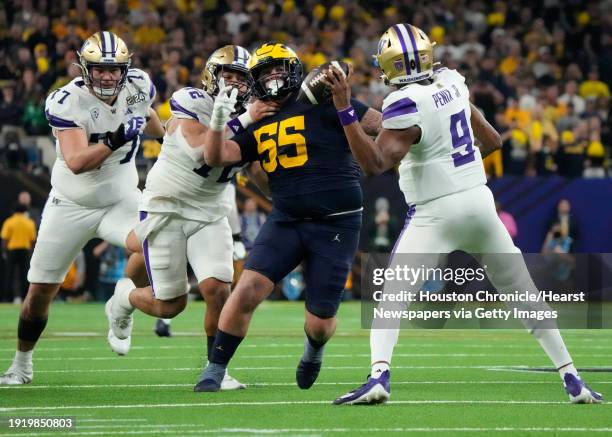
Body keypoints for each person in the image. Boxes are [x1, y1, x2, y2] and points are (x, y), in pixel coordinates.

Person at [326, 24, 601, 405]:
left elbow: (375, 163)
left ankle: (378, 376)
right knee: (524, 293)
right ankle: (573, 378)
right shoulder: (452, 81)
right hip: (479, 203)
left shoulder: (403, 103)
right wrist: (457, 170)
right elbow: (492, 140)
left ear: (391, 65)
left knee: (392, 296)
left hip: (435, 213)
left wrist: (343, 109)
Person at [194, 42, 381, 392]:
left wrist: (346, 110)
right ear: (256, 80)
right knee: (246, 289)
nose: (274, 76)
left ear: (295, 71)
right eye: (266, 72)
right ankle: (215, 367)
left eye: (280, 68)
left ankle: (313, 349)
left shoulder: (323, 103)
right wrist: (221, 120)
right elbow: (216, 156)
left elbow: (381, 127)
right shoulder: (258, 114)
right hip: (287, 219)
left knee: (320, 323)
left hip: (335, 223)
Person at [105, 45, 274, 390]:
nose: (235, 84)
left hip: (210, 210)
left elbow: (259, 173)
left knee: (217, 289)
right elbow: (203, 153)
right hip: (168, 204)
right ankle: (123, 298)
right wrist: (243, 119)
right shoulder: (192, 100)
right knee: (170, 305)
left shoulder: (258, 115)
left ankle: (217, 369)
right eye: (228, 75)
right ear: (213, 76)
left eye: (242, 78)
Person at [0, 31, 164, 385]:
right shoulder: (67, 100)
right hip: (70, 204)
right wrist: (116, 138)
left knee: (156, 240)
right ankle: (22, 364)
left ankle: (122, 302)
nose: (108, 75)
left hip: (120, 198)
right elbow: (76, 161)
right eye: (99, 69)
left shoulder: (139, 84)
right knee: (40, 292)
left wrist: (164, 138)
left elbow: (146, 113)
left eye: (114, 69)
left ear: (125, 68)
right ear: (85, 68)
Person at [1, 204, 37, 304]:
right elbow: (33, 240)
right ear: (25, 212)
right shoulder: (29, 222)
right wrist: (31, 252)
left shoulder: (9, 222)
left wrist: (4, 252)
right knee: (25, 275)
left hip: (12, 251)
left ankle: (7, 298)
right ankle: (25, 297)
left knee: (9, 275)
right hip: (25, 251)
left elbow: (4, 239)